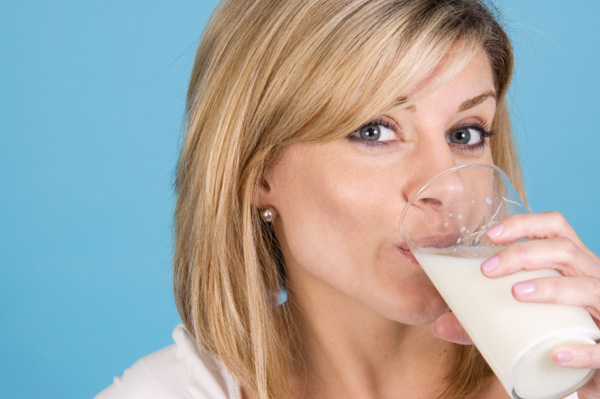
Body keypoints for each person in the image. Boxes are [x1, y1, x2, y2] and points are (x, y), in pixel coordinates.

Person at [96, 0, 600, 398]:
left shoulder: (569, 376)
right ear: (257, 172)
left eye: (466, 133)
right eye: (374, 130)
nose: (447, 186)